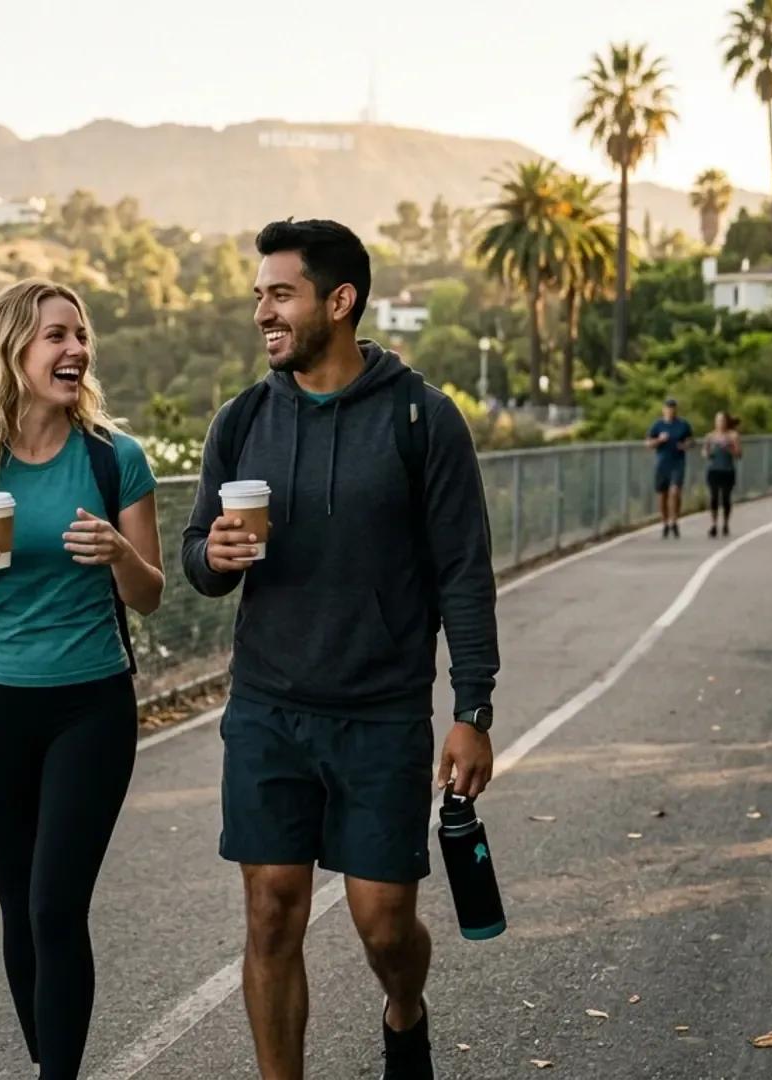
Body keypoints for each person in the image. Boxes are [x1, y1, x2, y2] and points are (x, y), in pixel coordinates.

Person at [182, 219, 500, 1080]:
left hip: (381, 713)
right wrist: (209, 555)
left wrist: (472, 712)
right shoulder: (241, 420)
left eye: (279, 294)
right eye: (259, 296)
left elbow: (464, 575)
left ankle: (405, 1011)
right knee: (271, 914)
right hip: (268, 710)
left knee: (384, 925)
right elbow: (197, 562)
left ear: (339, 300)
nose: (263, 312)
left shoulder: (421, 420)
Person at [0, 279, 165, 1080]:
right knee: (20, 911)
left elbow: (151, 594)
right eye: (57, 335)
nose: (76, 350)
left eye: (81, 335)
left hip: (90, 706)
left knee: (57, 907)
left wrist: (120, 556)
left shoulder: (113, 459)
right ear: (12, 349)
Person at [646, 398, 694, 538]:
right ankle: (665, 523)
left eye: (673, 408)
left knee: (675, 492)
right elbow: (648, 444)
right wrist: (659, 440)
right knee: (662, 496)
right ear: (663, 410)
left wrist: (685, 445)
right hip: (662, 464)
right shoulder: (657, 425)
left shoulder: (683, 424)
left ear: (676, 410)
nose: (670, 411)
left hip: (677, 463)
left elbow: (691, 440)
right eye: (668, 408)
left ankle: (675, 521)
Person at [703, 411, 742, 537]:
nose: (720, 423)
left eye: (722, 420)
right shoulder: (710, 436)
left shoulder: (733, 436)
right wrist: (707, 454)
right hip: (714, 470)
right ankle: (714, 524)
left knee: (725, 497)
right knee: (714, 497)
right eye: (717, 420)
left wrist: (729, 448)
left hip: (727, 470)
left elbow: (739, 454)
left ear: (726, 422)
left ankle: (725, 523)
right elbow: (704, 451)